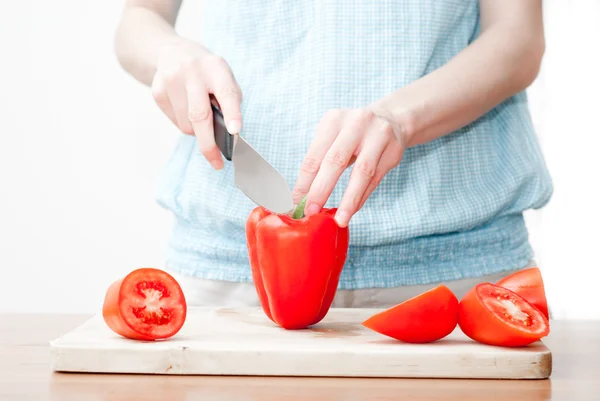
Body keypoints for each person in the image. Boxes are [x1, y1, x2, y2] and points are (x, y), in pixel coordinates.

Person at [114, 0, 552, 308]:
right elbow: (140, 15)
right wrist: (168, 53)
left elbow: (517, 37)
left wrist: (401, 118)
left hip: (455, 269)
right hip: (227, 272)